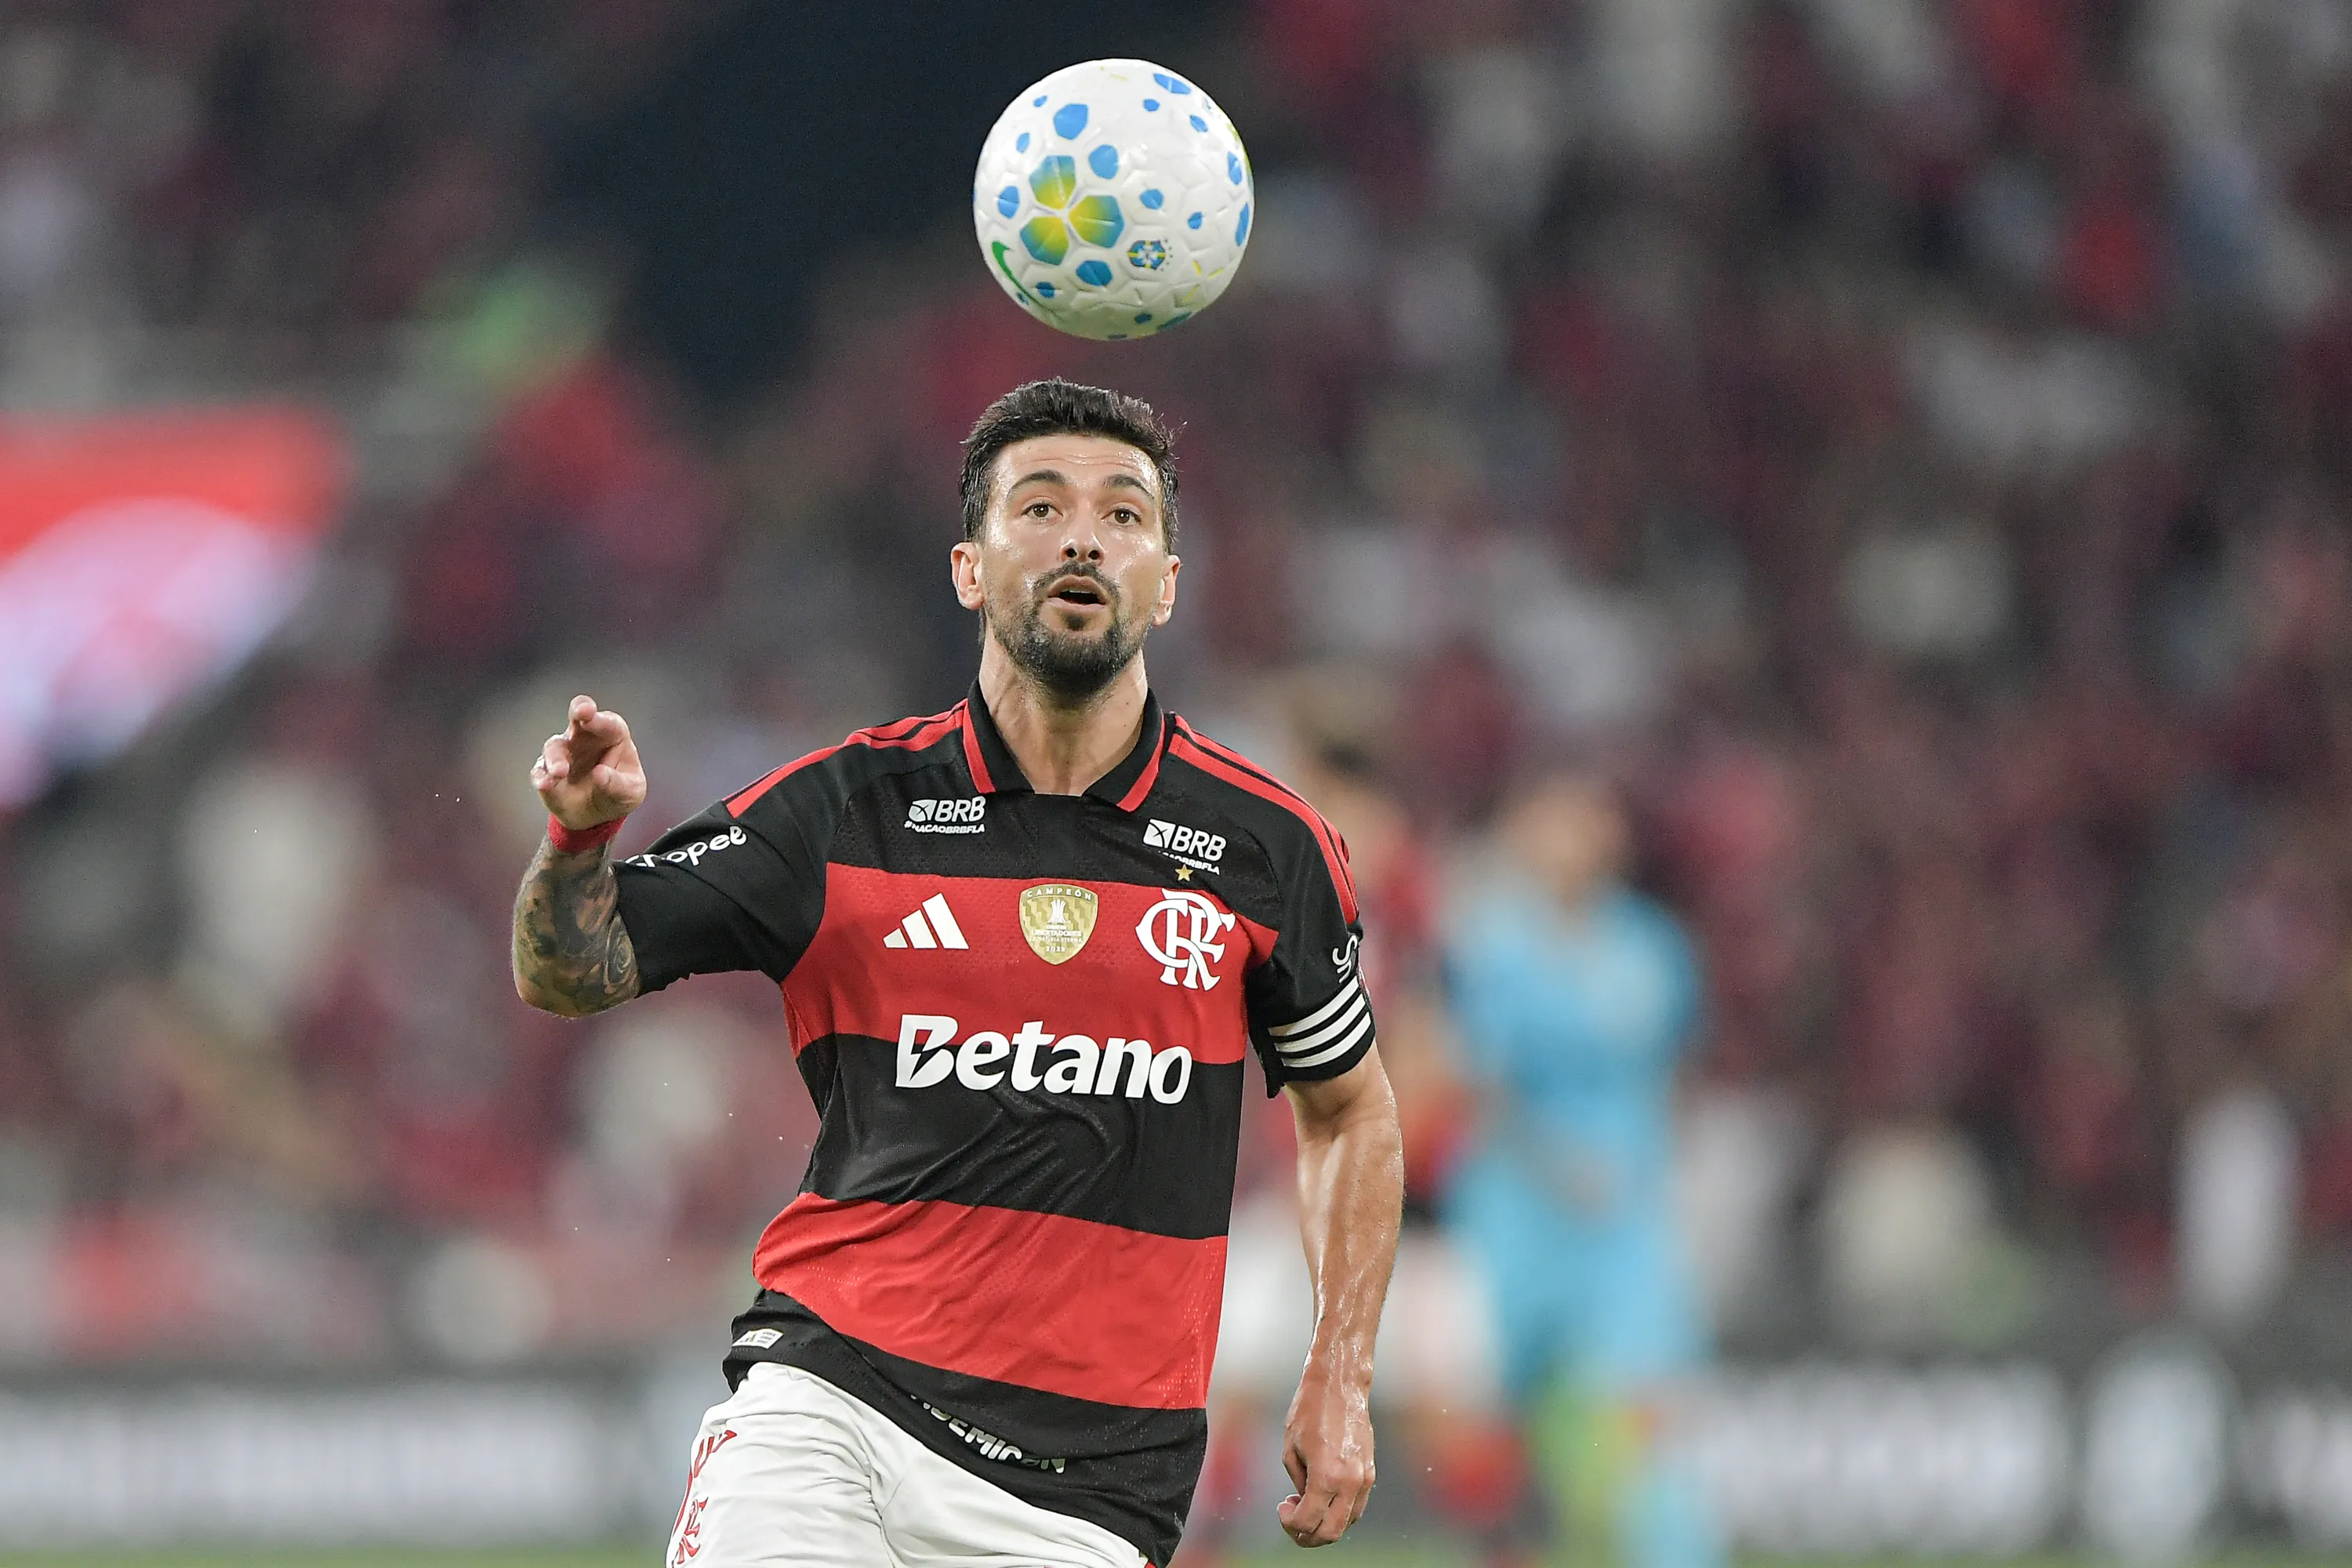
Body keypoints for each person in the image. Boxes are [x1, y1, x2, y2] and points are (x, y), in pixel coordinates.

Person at [510, 379, 1403, 1568]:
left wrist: (1338, 1375)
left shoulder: (1268, 849)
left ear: (1168, 583)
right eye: (1039, 507)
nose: (1084, 533)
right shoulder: (843, 809)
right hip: (831, 1405)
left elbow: (1351, 1110)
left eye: (1124, 515)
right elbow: (572, 973)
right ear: (970, 569)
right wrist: (576, 840)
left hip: (1089, 1492)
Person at [1442, 770, 1721, 1568]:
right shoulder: (1491, 942)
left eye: (1586, 823)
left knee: (1651, 1402)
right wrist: (1556, 1162)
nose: (1569, 842)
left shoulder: (1652, 946)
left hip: (1621, 1218)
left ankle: (1677, 1552)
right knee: (1491, 1410)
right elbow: (1477, 1082)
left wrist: (1663, 1175)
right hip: (1511, 1208)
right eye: (1552, 823)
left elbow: (1673, 1072)